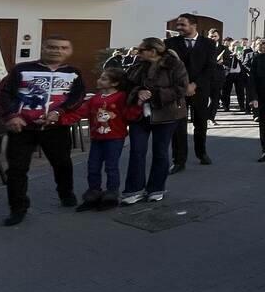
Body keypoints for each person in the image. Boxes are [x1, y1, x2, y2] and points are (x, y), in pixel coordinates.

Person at [0, 36, 85, 226]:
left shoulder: (74, 73)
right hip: (22, 128)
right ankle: (18, 208)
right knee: (17, 170)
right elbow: (2, 94)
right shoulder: (21, 69)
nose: (57, 51)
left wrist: (60, 112)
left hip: (55, 128)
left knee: (62, 164)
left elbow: (78, 97)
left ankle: (66, 193)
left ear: (69, 51)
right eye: (52, 47)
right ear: (43, 48)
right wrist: (11, 116)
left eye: (63, 47)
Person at [61, 67, 141, 210]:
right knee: (93, 166)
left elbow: (128, 114)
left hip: (115, 137)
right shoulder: (95, 98)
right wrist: (63, 119)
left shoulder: (121, 97)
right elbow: (82, 112)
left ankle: (111, 194)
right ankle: (94, 192)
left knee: (111, 166)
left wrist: (138, 107)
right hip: (97, 137)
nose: (99, 80)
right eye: (101, 77)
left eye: (104, 79)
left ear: (115, 83)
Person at [122, 37, 189, 204]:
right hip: (140, 115)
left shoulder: (175, 65)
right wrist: (138, 92)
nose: (137, 52)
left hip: (166, 115)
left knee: (160, 152)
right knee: (137, 151)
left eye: (141, 49)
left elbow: (181, 88)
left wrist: (155, 94)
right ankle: (133, 190)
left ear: (152, 51)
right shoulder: (137, 65)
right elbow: (126, 85)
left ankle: (156, 188)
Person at [165, 13, 216, 172]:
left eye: (182, 25)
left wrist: (194, 85)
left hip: (200, 90)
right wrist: (183, 86)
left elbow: (210, 67)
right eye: (178, 25)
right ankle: (179, 160)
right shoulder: (170, 43)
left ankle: (201, 153)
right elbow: (168, 67)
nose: (178, 28)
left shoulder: (208, 43)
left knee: (200, 123)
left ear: (193, 26)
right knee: (178, 125)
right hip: (178, 91)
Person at [222, 40, 249, 112]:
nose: (235, 47)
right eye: (233, 45)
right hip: (229, 74)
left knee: (240, 91)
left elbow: (244, 62)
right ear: (230, 46)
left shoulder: (241, 53)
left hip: (239, 74)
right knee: (226, 91)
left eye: (237, 46)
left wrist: (239, 56)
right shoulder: (227, 52)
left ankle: (242, 107)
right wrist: (232, 56)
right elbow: (224, 62)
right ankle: (226, 106)